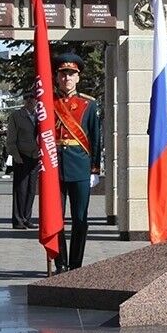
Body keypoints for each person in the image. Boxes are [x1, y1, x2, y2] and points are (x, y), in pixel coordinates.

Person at [53, 53, 102, 272]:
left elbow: (95, 137)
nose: (67, 78)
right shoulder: (48, 103)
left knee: (80, 219)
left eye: (71, 74)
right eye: (63, 74)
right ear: (57, 77)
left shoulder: (88, 105)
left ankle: (76, 264)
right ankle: (60, 262)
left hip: (80, 166)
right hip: (55, 167)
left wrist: (94, 168)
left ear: (78, 78)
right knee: (55, 219)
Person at [5, 91, 40, 229]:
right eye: (27, 97)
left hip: (36, 157)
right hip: (22, 156)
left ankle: (27, 218)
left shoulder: (40, 116)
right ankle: (18, 219)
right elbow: (11, 139)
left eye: (33, 97)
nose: (30, 100)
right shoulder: (16, 116)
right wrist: (15, 156)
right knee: (21, 189)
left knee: (31, 189)